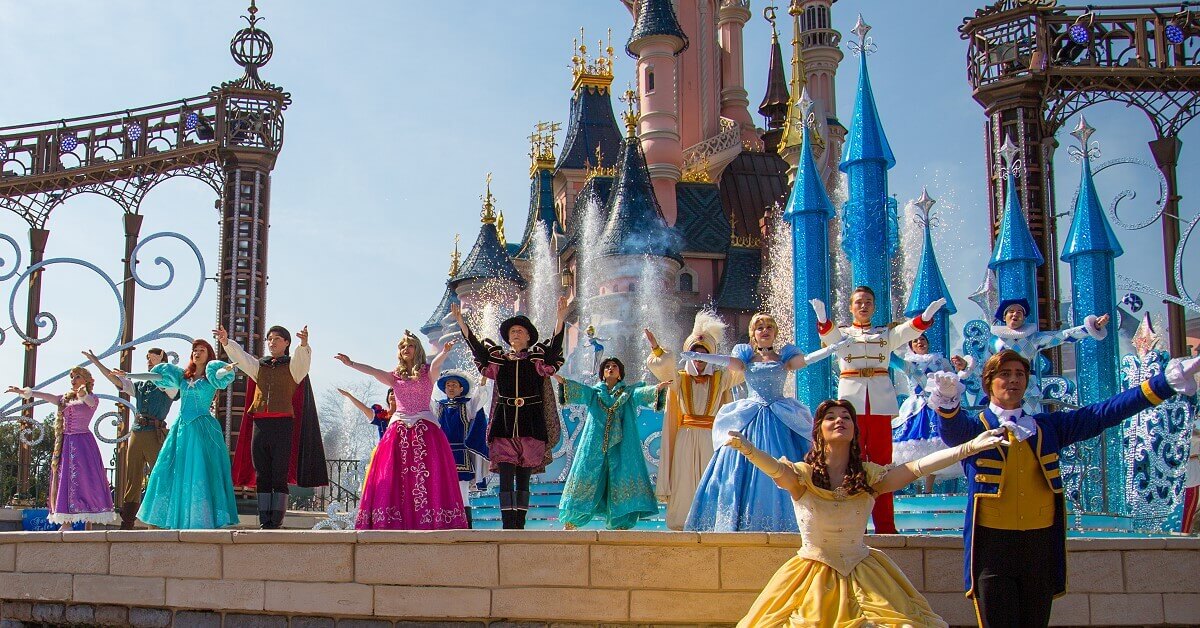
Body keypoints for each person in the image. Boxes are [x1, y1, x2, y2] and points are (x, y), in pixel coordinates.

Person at [929, 349, 1199, 627]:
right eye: (1005, 374)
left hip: (1039, 546)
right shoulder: (977, 429)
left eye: (1020, 374)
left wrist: (1164, 383)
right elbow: (952, 431)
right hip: (992, 548)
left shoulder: (1046, 427)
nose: (1013, 380)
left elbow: (1103, 413)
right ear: (989, 382)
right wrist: (948, 403)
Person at [731, 399, 1006, 627]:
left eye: (846, 417)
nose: (839, 420)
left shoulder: (869, 477)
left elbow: (916, 468)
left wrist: (968, 447)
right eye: (831, 417)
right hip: (810, 576)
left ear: (854, 430)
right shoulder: (803, 476)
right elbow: (777, 472)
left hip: (865, 573)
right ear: (818, 430)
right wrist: (748, 449)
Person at [683, 312, 846, 532]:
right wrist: (703, 358)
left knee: (793, 464)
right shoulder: (746, 357)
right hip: (751, 417)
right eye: (760, 328)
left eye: (769, 327)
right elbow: (726, 362)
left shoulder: (785, 357)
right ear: (753, 334)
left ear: (775, 332)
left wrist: (831, 349)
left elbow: (806, 360)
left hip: (780, 416)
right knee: (737, 464)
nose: (765, 331)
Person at [811, 288, 947, 533]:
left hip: (880, 405)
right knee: (851, 463)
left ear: (874, 307)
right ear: (851, 307)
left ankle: (886, 526)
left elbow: (908, 330)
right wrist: (822, 318)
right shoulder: (843, 334)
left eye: (868, 302)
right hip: (851, 407)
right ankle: (854, 526)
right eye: (859, 303)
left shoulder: (885, 334)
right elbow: (829, 336)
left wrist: (926, 316)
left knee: (883, 466)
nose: (864, 306)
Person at [453, 298, 568, 529]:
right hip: (504, 424)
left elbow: (555, 350)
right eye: (512, 331)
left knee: (524, 477)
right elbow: (477, 350)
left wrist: (560, 319)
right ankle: (508, 524)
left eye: (520, 331)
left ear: (528, 337)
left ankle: (520, 524)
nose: (515, 333)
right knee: (506, 477)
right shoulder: (499, 362)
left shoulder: (537, 361)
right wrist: (462, 324)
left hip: (531, 424)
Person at [335, 334, 466, 530]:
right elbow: (373, 371)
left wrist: (444, 352)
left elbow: (437, 365)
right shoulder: (395, 376)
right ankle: (391, 519)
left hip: (425, 429)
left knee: (427, 475)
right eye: (403, 346)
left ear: (417, 349)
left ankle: (431, 518)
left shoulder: (427, 373)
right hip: (399, 430)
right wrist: (351, 363)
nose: (406, 349)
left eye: (410, 345)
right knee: (394, 475)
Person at [120, 340, 239, 529]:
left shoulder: (211, 376)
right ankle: (171, 518)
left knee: (200, 470)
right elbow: (156, 376)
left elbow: (222, 373)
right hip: (182, 429)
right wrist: (129, 374)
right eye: (195, 350)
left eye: (202, 350)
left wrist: (226, 369)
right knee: (169, 470)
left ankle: (201, 518)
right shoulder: (182, 377)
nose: (197, 353)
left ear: (209, 355)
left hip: (202, 429)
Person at [645, 310, 744, 530]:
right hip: (686, 436)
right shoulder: (680, 379)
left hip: (711, 436)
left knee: (710, 479)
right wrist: (656, 348)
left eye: (704, 354)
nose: (699, 360)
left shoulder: (720, 378)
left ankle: (710, 521)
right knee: (684, 480)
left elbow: (741, 369)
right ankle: (681, 521)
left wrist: (756, 349)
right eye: (695, 354)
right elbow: (664, 367)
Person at [222, 324, 328, 529]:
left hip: (282, 424)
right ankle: (264, 519)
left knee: (279, 473)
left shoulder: (292, 367)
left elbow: (303, 362)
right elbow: (242, 359)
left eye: (277, 339)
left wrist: (304, 344)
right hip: (260, 424)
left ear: (286, 343)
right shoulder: (259, 366)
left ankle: (276, 519)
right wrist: (227, 342)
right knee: (262, 472)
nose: (272, 342)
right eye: (269, 339)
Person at [556, 357, 669, 530]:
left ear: (620, 373)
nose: (610, 368)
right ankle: (572, 521)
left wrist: (658, 388)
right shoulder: (594, 394)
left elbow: (643, 394)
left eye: (614, 366)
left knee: (622, 477)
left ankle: (620, 524)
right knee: (587, 475)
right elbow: (579, 390)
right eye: (607, 366)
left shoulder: (629, 394)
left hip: (622, 445)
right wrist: (561, 380)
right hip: (594, 444)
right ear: (602, 373)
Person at [9, 368, 119, 528]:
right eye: (72, 377)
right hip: (65, 444)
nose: (73, 380)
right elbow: (49, 397)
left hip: (83, 445)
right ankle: (66, 522)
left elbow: (89, 402)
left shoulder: (92, 398)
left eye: (77, 377)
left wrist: (83, 395)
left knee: (85, 480)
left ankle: (88, 523)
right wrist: (27, 392)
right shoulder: (65, 399)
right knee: (64, 479)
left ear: (87, 380)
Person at [83, 347, 177, 529]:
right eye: (148, 358)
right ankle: (127, 522)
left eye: (154, 358)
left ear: (163, 361)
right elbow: (115, 379)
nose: (149, 361)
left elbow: (162, 380)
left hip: (156, 433)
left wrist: (138, 373)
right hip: (138, 431)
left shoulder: (170, 384)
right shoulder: (140, 385)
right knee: (132, 478)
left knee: (159, 477)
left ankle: (157, 521)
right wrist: (96, 361)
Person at [985, 298, 1109, 412]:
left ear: (1024, 318)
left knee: (1032, 427)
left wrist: (1091, 327)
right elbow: (983, 366)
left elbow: (1063, 336)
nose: (1015, 314)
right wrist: (966, 366)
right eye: (1011, 311)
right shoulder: (994, 342)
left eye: (1019, 312)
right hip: (1001, 389)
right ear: (1004, 317)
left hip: (1028, 391)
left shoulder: (1033, 339)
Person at [890, 336, 973, 494]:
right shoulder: (909, 363)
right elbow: (891, 359)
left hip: (937, 405)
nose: (919, 342)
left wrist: (962, 366)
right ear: (911, 346)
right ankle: (916, 489)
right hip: (917, 408)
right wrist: (888, 339)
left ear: (928, 343)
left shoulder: (940, 361)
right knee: (918, 448)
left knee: (936, 447)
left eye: (922, 340)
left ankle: (928, 490)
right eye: (915, 341)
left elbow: (955, 378)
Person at [433, 369, 490, 527]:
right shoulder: (439, 407)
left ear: (461, 388)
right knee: (442, 490)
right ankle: (444, 524)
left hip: (461, 454)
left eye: (454, 385)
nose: (450, 388)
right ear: (444, 389)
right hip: (443, 455)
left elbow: (480, 397)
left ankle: (466, 525)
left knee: (462, 491)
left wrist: (484, 378)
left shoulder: (468, 405)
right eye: (448, 385)